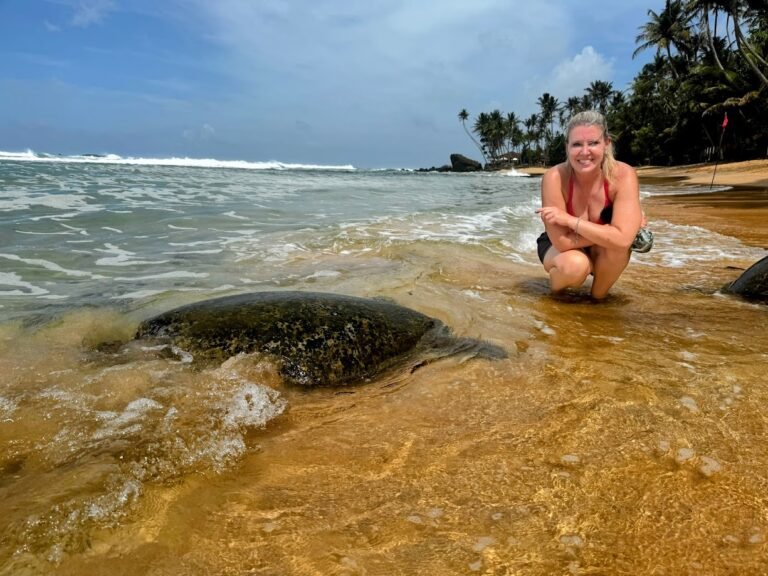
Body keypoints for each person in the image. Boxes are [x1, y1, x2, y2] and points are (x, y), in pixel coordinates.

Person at [536, 110, 644, 299]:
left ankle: (597, 300)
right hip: (559, 246)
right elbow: (561, 242)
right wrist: (615, 232)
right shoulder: (555, 177)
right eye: (577, 144)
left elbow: (623, 242)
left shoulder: (623, 175)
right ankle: (555, 300)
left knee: (617, 249)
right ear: (567, 147)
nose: (585, 152)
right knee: (575, 265)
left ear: (606, 144)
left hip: (594, 243)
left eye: (593, 143)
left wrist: (570, 221)